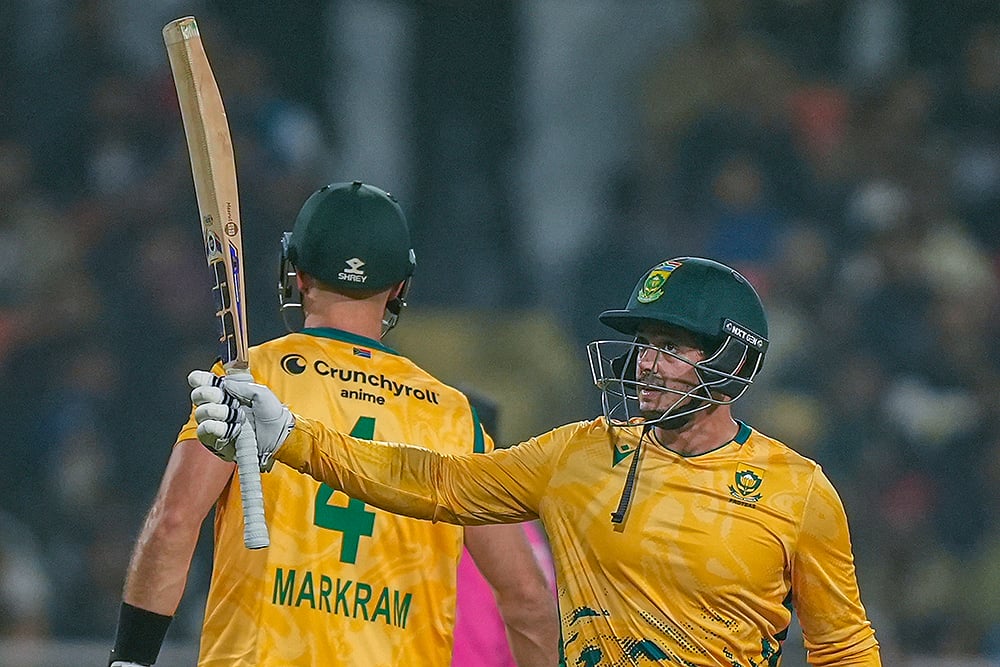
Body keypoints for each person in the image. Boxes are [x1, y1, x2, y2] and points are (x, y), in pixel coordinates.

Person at [191, 256, 883, 666]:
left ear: (731, 360)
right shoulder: (578, 453)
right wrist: (292, 437)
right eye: (642, 341)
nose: (643, 361)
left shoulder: (800, 492)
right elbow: (435, 482)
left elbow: (845, 648)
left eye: (670, 345)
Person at [109, 181, 558, 666]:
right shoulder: (454, 418)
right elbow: (527, 595)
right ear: (400, 286)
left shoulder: (251, 379)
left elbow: (173, 523)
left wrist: (130, 659)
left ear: (295, 273)